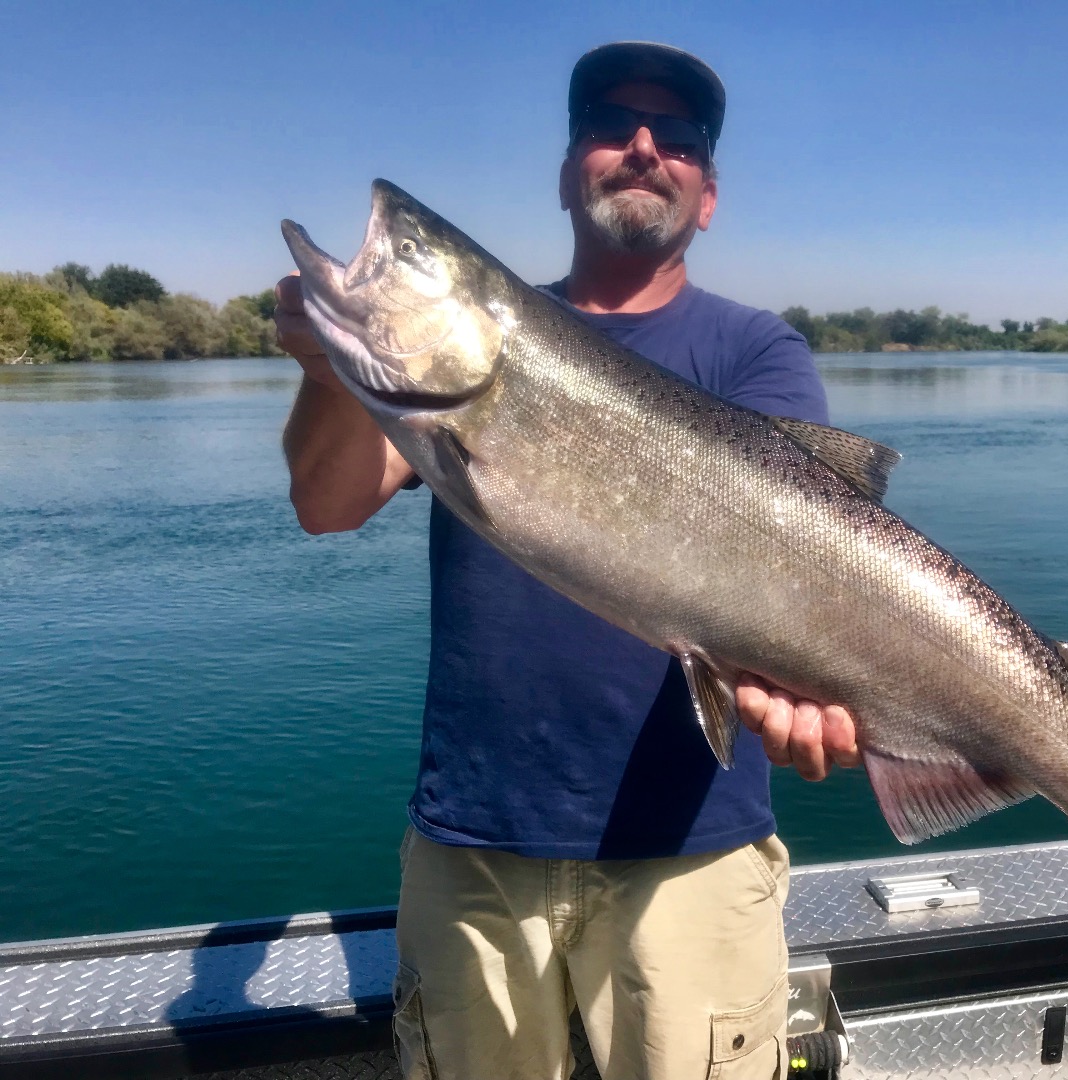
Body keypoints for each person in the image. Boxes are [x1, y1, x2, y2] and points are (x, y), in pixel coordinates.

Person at [276, 42, 858, 1080]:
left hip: (696, 851)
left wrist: (834, 686)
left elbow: (812, 554)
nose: (643, 148)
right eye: (610, 125)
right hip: (474, 844)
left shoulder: (757, 352)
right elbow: (325, 506)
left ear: (707, 194)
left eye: (677, 138)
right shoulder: (457, 369)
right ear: (566, 171)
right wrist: (331, 368)